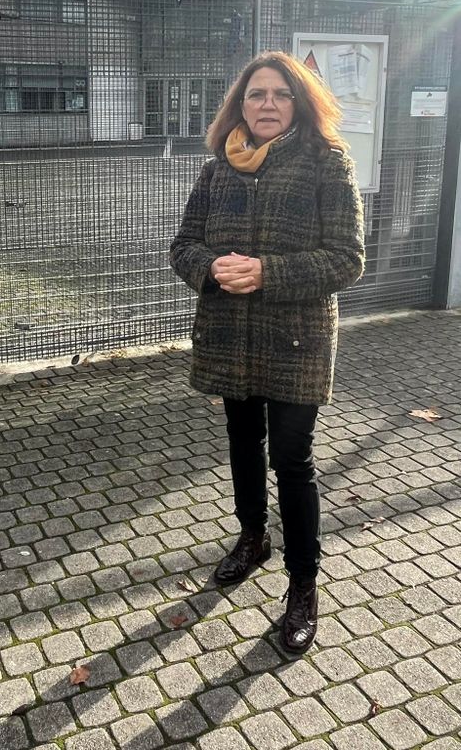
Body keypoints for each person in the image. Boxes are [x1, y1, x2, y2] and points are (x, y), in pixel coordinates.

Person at [169, 51, 364, 653]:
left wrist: (266, 272)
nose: (269, 104)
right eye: (257, 94)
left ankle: (303, 586)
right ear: (241, 104)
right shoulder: (217, 169)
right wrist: (210, 268)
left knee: (292, 459)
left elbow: (347, 259)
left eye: (281, 93)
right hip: (230, 336)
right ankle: (252, 538)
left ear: (300, 102)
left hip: (296, 340)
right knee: (242, 442)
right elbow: (183, 244)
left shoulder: (327, 163)